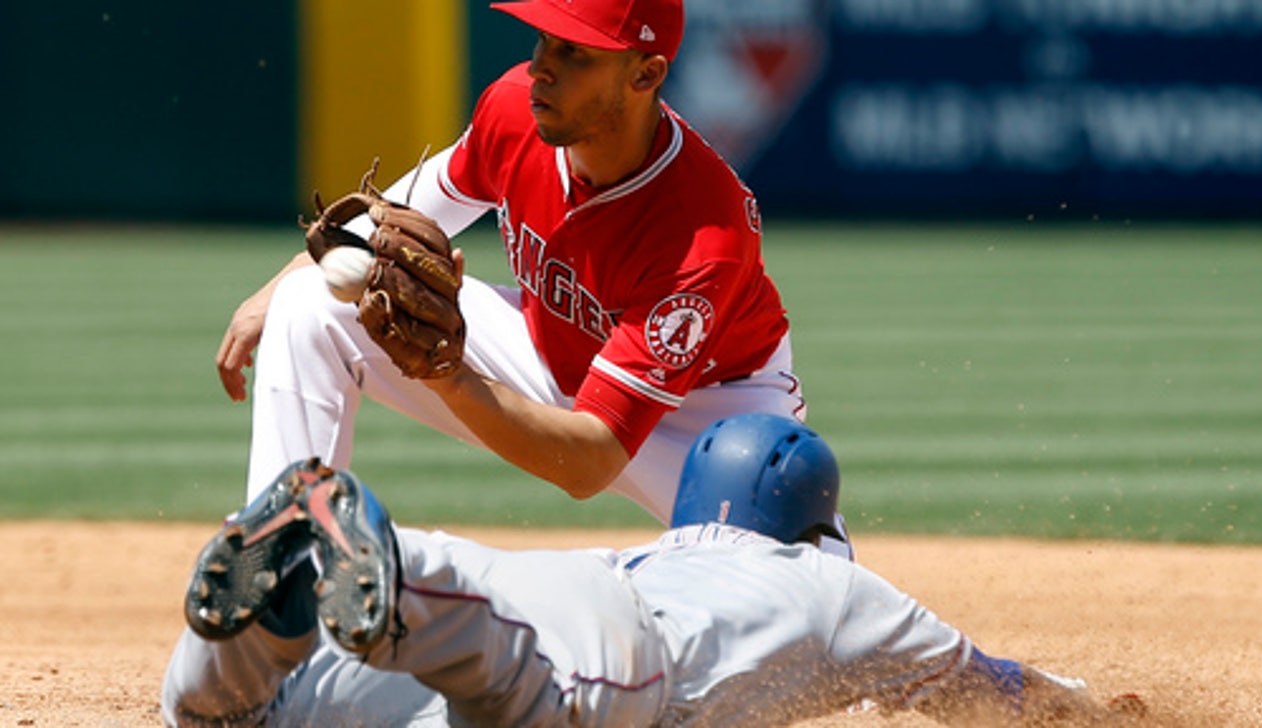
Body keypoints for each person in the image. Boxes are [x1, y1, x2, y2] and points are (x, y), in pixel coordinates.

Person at [213, 0, 851, 549]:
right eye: (544, 39)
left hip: (706, 417)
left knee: (808, 618)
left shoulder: (702, 235)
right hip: (551, 351)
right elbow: (388, 219)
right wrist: (274, 290)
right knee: (309, 299)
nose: (543, 66)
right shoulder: (515, 107)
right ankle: (281, 561)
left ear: (646, 73)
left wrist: (448, 376)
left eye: (575, 52)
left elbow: (589, 463)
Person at [162, 414, 1146, 726]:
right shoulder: (835, 588)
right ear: (815, 525)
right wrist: (1093, 710)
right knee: (520, 684)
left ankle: (285, 610)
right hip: (618, 646)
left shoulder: (656, 547)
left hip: (535, 578)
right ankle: (387, 583)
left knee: (235, 717)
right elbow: (988, 689)